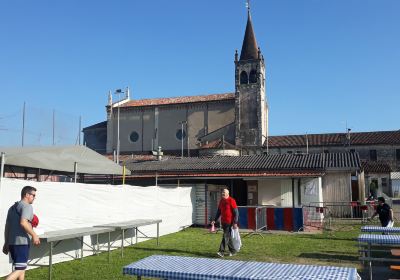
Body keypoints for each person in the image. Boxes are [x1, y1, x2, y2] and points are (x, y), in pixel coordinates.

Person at [2, 186, 40, 280]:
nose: (34, 198)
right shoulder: (27, 206)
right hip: (21, 243)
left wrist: (6, 242)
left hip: (12, 243)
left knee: (21, 270)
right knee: (20, 269)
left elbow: (7, 227)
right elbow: (23, 222)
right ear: (27, 195)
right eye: (33, 195)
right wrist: (34, 235)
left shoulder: (12, 208)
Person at [211, 188, 239, 257]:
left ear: (227, 194)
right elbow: (219, 211)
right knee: (227, 236)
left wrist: (235, 222)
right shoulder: (221, 201)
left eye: (224, 192)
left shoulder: (231, 200)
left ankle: (221, 251)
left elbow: (236, 212)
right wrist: (215, 220)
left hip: (229, 222)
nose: (222, 194)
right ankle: (233, 251)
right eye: (222, 192)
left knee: (225, 236)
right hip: (223, 222)